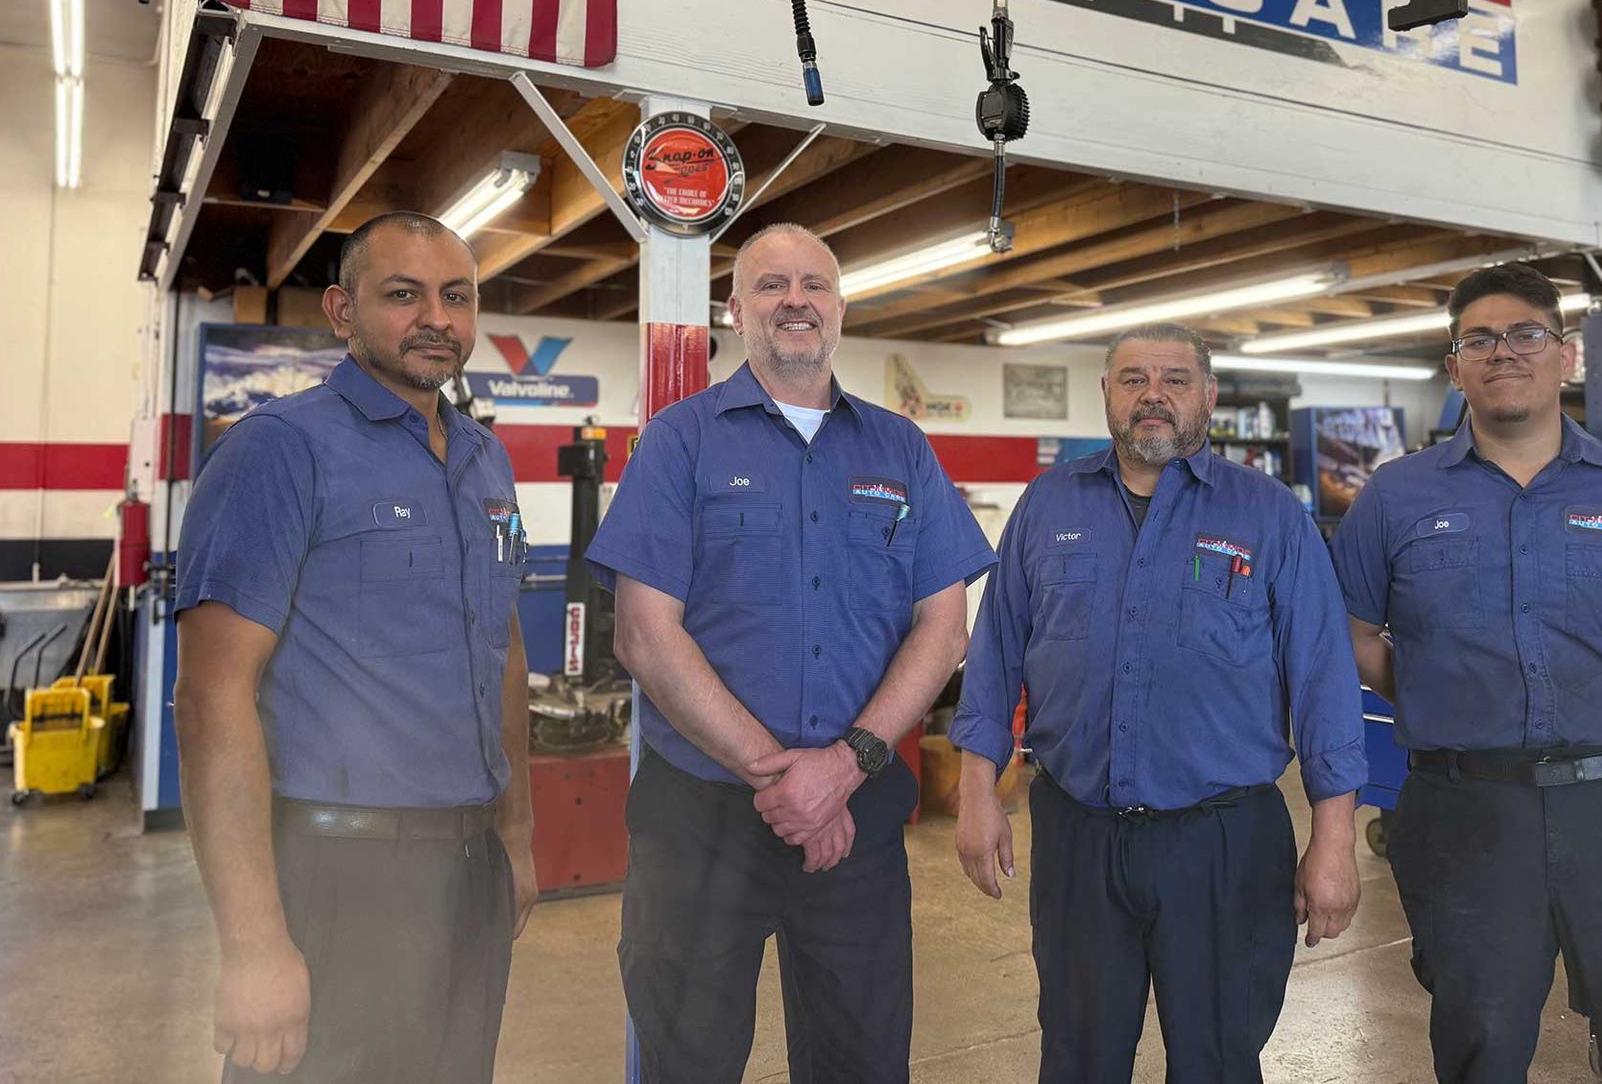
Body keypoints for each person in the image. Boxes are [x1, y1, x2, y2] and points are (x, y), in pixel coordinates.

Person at [1332, 262, 1602, 1084]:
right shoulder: (1394, 498)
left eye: (1527, 333)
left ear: (1565, 356)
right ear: (1454, 364)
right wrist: (1445, 699)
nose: (1505, 352)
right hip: (1467, 815)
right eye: (1480, 339)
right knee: (1480, 1046)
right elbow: (1349, 635)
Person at [588, 222, 996, 1084]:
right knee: (687, 1062)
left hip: (858, 819)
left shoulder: (901, 450)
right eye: (772, 285)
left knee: (861, 1059)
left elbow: (944, 626)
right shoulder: (680, 442)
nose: (796, 300)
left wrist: (843, 770)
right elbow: (643, 633)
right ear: (735, 311)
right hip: (701, 819)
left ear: (840, 311)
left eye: (815, 284)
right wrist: (788, 778)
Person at [951, 323, 1366, 1084]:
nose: (1153, 394)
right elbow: (996, 654)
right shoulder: (1047, 507)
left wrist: (1333, 840)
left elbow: (1324, 682)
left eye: (1175, 378)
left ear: (1208, 395)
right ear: (1107, 394)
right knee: (1077, 1056)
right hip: (1079, 834)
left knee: (1217, 1058)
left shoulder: (1269, 515)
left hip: (1222, 843)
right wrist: (977, 787)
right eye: (1133, 378)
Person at [173, 212, 536, 1082]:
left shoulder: (486, 460)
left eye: (457, 296)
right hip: (336, 876)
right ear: (342, 310)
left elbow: (504, 649)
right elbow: (212, 695)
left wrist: (515, 837)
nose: (436, 320)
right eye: (403, 295)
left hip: (469, 872)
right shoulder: (279, 450)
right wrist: (255, 942)